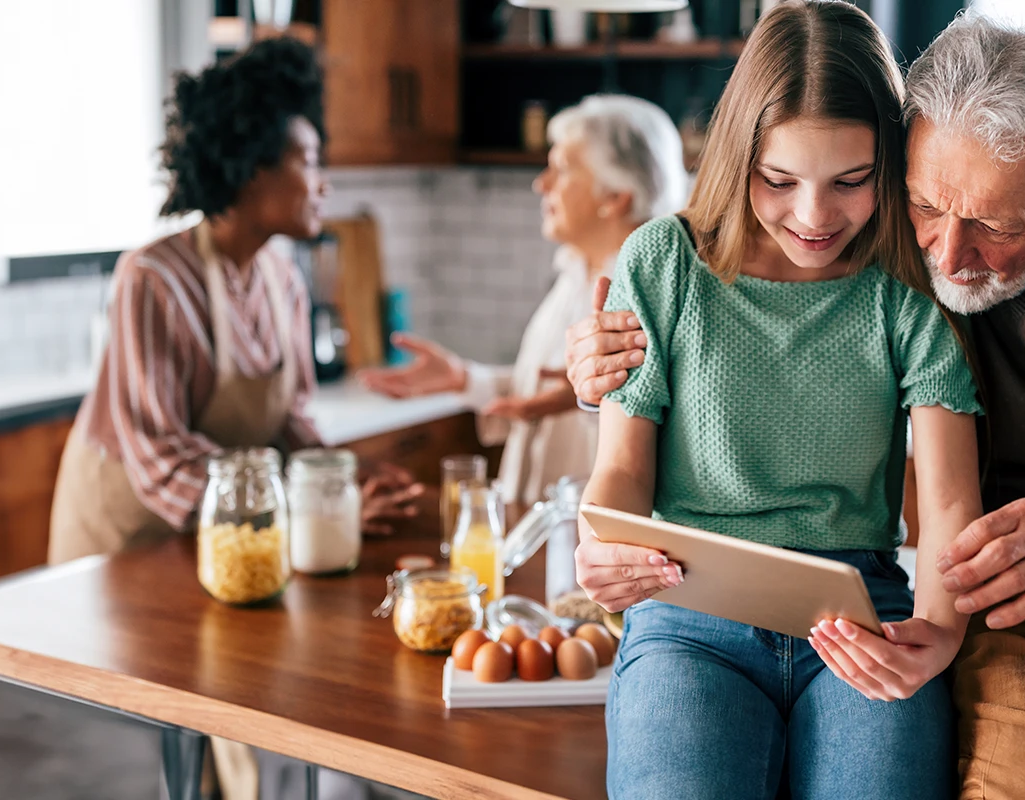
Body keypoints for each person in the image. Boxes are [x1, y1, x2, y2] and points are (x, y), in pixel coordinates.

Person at [566, 13, 1025, 797]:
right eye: (779, 181)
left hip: (863, 610)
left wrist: (937, 635)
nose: (814, 216)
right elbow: (622, 474)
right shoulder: (664, 263)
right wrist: (601, 540)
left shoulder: (904, 288)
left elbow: (946, 500)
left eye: (851, 181)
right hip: (688, 614)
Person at [45, 38, 419, 800]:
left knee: (238, 704)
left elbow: (290, 420)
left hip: (225, 534)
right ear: (253, 168)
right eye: (308, 160)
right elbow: (163, 459)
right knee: (187, 717)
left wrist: (341, 478)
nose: (324, 182)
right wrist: (310, 504)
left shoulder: (281, 275)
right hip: (134, 544)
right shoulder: (152, 278)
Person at [356, 95, 686, 536]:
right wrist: (462, 379)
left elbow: (660, 429)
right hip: (537, 527)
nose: (542, 184)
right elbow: (547, 387)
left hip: (593, 539)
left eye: (562, 168)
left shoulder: (652, 295)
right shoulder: (574, 272)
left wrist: (591, 396)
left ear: (615, 196)